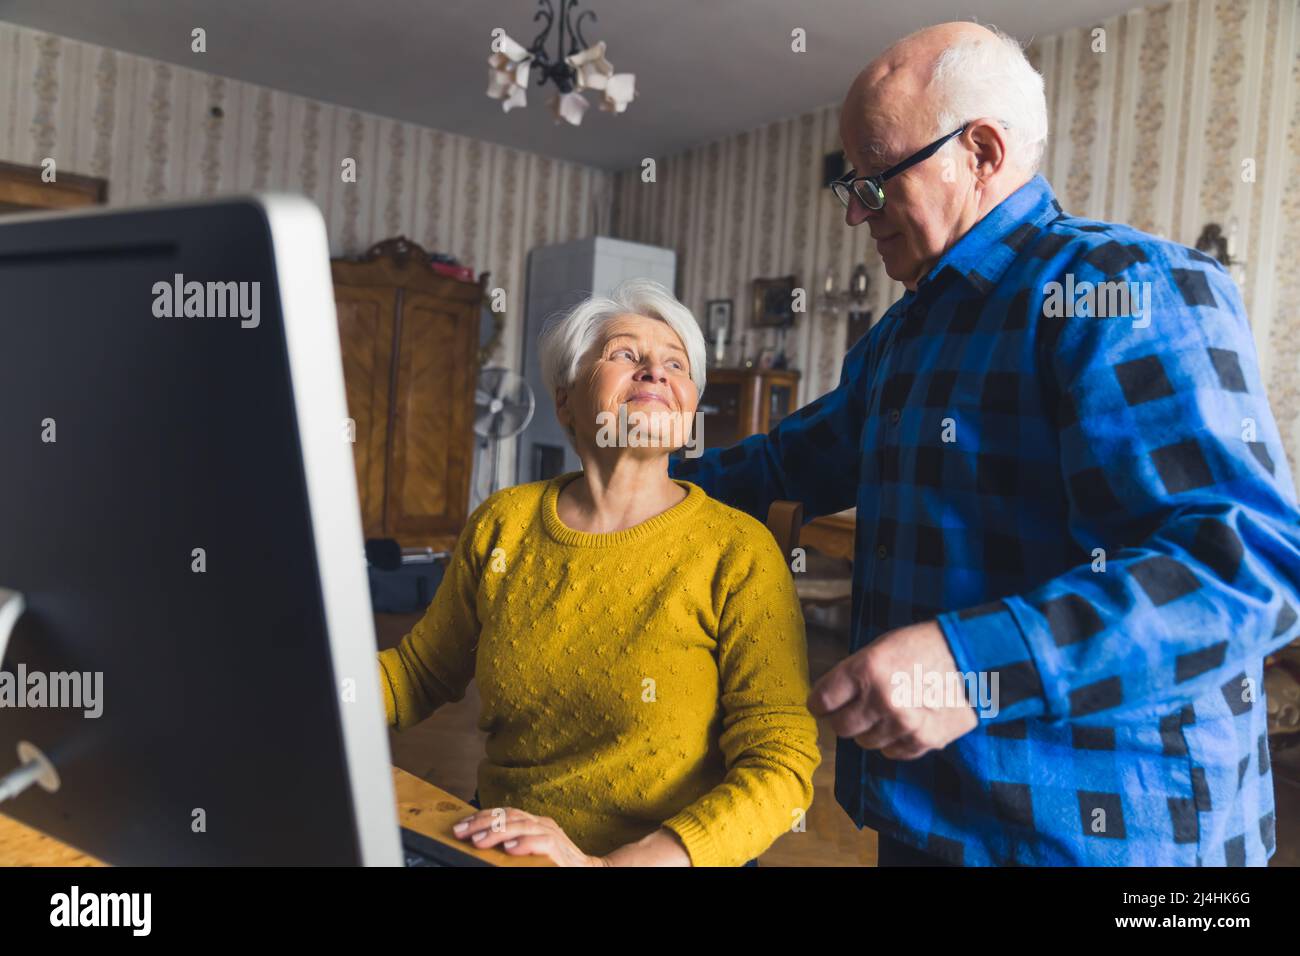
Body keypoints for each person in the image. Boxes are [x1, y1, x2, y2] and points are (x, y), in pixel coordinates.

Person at [670, 21, 1300, 865]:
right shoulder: (906, 334)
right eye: (850, 188)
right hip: (929, 814)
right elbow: (789, 461)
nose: (858, 215)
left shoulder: (1124, 287)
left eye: (876, 181)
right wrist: (634, 487)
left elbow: (1243, 566)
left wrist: (973, 666)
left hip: (1105, 838)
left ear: (981, 152)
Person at [378, 278, 820, 866]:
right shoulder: (504, 524)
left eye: (675, 364)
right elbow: (417, 674)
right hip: (505, 848)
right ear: (565, 400)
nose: (655, 372)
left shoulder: (738, 551)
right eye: (624, 355)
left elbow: (780, 765)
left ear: (690, 410)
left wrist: (610, 865)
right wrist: (304, 693)